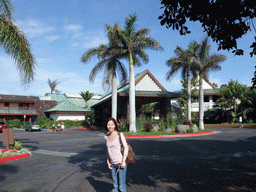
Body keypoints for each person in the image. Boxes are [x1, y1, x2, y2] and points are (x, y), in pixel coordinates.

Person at [105, 118, 128, 192]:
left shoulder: (119, 135)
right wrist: (108, 161)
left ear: (115, 125)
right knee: (115, 186)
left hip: (120, 164)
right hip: (112, 165)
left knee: (121, 187)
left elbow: (126, 147)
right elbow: (108, 151)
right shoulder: (106, 137)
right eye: (108, 124)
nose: (110, 126)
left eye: (112, 124)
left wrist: (123, 161)